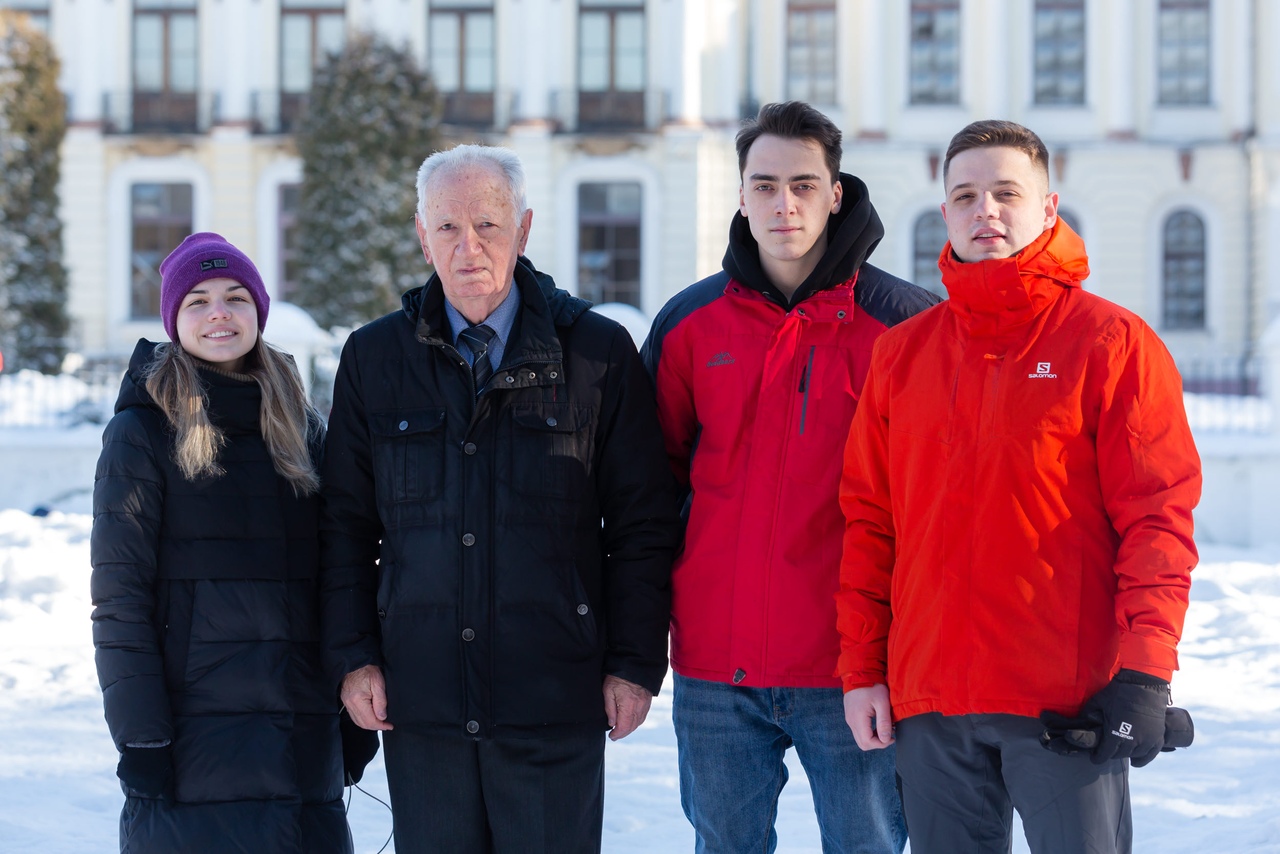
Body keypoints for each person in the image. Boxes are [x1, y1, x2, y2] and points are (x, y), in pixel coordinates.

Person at [836, 120, 1202, 854]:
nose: (986, 211)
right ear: (945, 212)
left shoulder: (1111, 343)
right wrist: (861, 670)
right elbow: (871, 523)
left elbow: (1157, 521)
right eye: (965, 195)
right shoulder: (902, 354)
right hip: (931, 700)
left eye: (1007, 192)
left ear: (1048, 206)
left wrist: (1145, 672)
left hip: (1066, 705)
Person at [319, 143, 679, 854]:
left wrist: (634, 662)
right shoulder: (373, 357)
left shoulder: (598, 354)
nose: (469, 246)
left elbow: (642, 525)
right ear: (422, 236)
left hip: (555, 695)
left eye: (487, 224)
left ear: (524, 228)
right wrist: (354, 657)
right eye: (447, 227)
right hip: (420, 699)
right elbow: (344, 528)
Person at [641, 101, 936, 853]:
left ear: (835, 193)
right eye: (765, 185)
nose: (785, 205)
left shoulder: (906, 328)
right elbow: (648, 495)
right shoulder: (689, 325)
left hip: (855, 670)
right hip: (716, 669)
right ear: (741, 195)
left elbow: (936, 507)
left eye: (804, 185)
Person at [90, 232, 375, 853]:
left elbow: (341, 572)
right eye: (197, 300)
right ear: (173, 319)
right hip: (192, 749)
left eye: (235, 297)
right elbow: (120, 600)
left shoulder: (302, 428)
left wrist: (350, 697)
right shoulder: (141, 433)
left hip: (303, 743)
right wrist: (141, 737)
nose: (218, 313)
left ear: (258, 312)